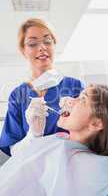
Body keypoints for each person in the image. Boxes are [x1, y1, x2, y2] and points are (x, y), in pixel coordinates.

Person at [0, 84, 108, 196]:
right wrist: (34, 134)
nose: (68, 100)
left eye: (82, 99)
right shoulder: (60, 139)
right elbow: (18, 162)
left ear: (96, 124)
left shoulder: (91, 165)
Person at [0, 18, 84, 156]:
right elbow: (13, 150)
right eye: (32, 43)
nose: (42, 47)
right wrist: (32, 135)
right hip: (33, 172)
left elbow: (92, 134)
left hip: (70, 165)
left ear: (54, 45)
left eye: (48, 41)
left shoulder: (75, 87)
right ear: (23, 50)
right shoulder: (18, 95)